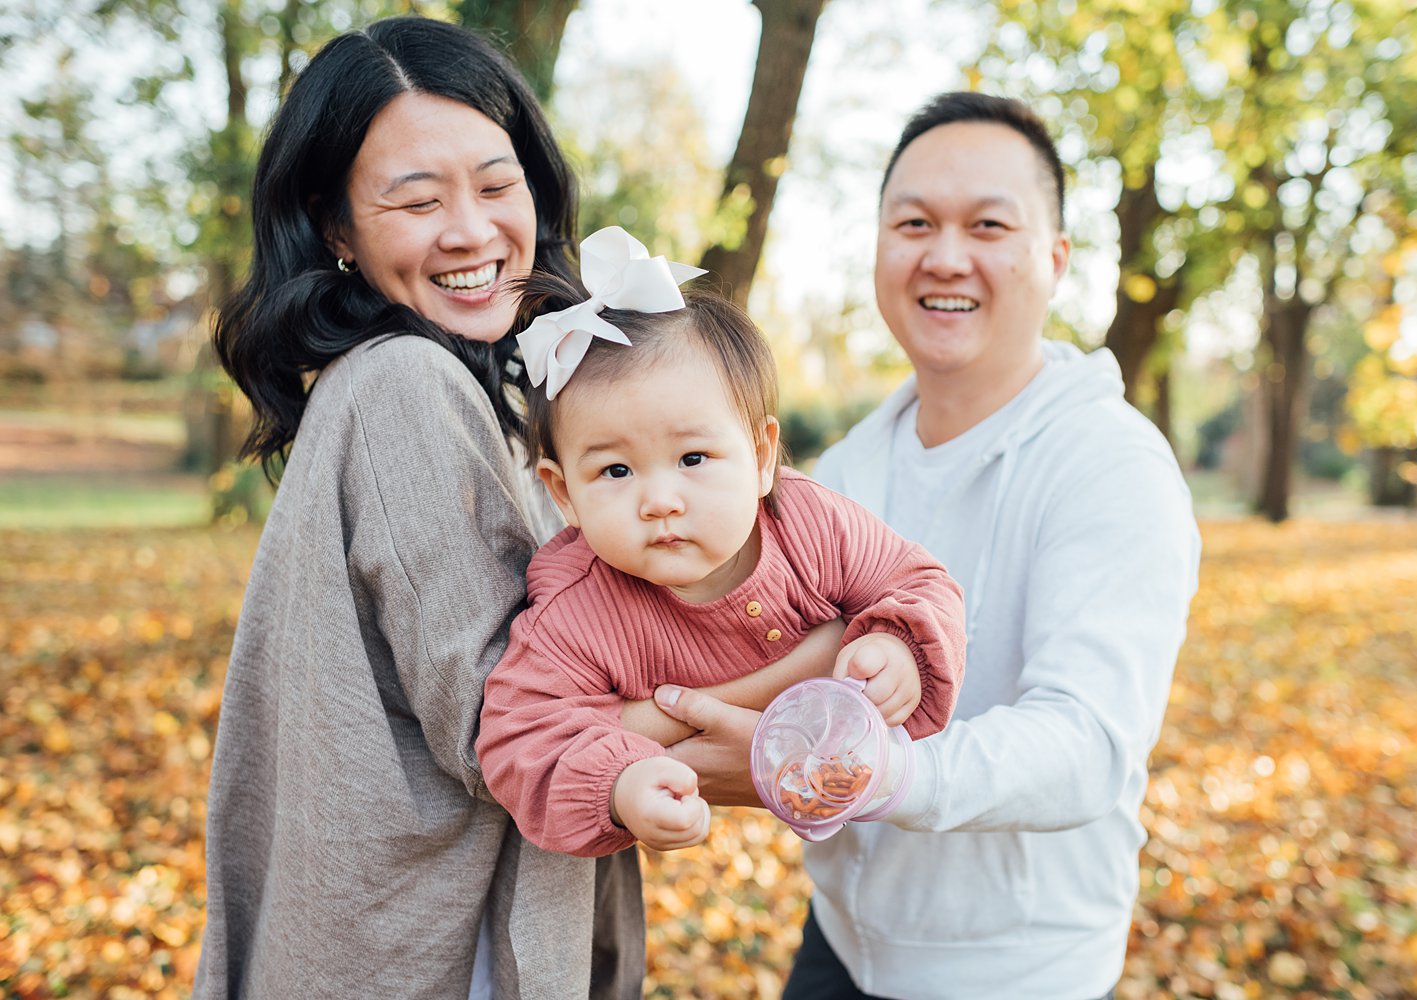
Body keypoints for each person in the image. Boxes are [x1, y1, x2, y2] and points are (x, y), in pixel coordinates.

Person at [191, 18, 841, 999]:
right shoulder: (406, 384)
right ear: (336, 229)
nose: (471, 230)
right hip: (439, 949)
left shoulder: (462, 390)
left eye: (498, 186)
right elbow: (506, 731)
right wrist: (801, 678)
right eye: (416, 200)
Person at [655, 93, 1201, 1000]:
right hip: (838, 944)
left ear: (1055, 259)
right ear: (879, 247)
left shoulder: (1111, 463)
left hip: (1018, 973)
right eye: (914, 223)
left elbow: (1088, 743)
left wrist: (874, 775)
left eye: (989, 224)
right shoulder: (845, 467)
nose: (945, 256)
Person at [474, 231, 965, 858]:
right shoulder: (577, 614)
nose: (660, 500)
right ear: (564, 494)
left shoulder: (808, 523)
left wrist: (897, 644)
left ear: (761, 457)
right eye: (616, 472)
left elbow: (920, 581)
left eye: (693, 457)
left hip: (873, 815)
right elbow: (522, 737)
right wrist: (620, 785)